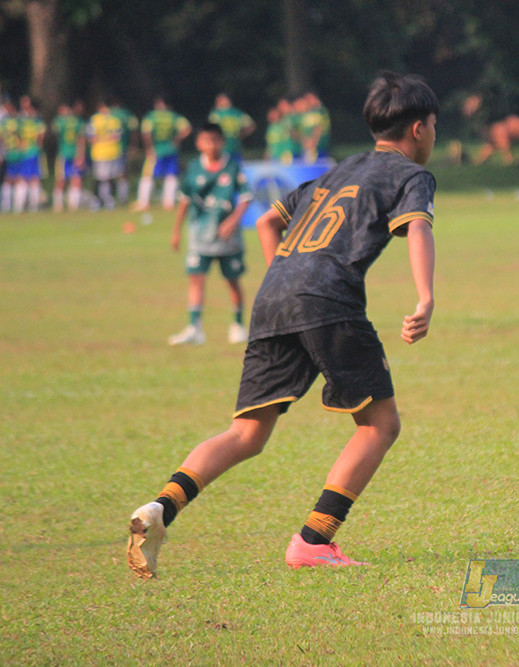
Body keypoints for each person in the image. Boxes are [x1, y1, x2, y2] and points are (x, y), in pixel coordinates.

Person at [127, 72, 438, 578]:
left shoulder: (338, 171)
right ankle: (314, 541)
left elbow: (269, 222)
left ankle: (163, 504)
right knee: (380, 424)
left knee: (246, 432)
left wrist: (284, 277)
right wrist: (425, 297)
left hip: (272, 296)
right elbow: (418, 226)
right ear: (421, 129)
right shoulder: (409, 174)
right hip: (327, 299)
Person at [167, 122, 253, 346]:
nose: (210, 145)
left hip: (227, 238)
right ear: (198, 144)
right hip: (199, 234)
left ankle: (238, 325)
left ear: (222, 142)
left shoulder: (232, 167)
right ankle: (195, 328)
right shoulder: (194, 167)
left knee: (232, 280)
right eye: (206, 141)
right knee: (196, 278)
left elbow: (246, 198)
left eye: (214, 140)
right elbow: (184, 201)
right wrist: (176, 231)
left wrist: (233, 221)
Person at [135, 96, 192, 210]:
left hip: (157, 150)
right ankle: (168, 203)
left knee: (147, 175)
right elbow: (187, 128)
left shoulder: (151, 117)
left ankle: (143, 202)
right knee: (171, 176)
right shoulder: (174, 117)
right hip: (171, 150)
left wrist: (149, 148)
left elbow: (147, 134)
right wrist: (177, 139)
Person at [86, 101, 126, 209]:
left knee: (104, 177)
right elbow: (117, 137)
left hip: (103, 152)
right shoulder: (114, 120)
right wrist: (108, 138)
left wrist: (102, 139)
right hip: (109, 152)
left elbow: (91, 138)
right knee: (104, 177)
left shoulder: (95, 120)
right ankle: (100, 200)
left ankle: (103, 200)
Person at [10, 96, 46, 213]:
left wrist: (38, 147)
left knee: (34, 178)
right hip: (24, 153)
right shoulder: (20, 119)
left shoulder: (36, 118)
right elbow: (13, 133)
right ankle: (19, 206)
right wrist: (19, 144)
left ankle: (33, 206)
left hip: (33, 152)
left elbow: (41, 135)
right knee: (22, 178)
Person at [50, 101, 87, 212]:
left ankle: (59, 205)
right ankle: (72, 205)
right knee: (73, 179)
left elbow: (54, 130)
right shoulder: (78, 121)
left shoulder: (60, 121)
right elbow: (81, 140)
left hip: (64, 154)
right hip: (73, 154)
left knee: (63, 179)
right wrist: (81, 155)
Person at [208, 93, 256, 162]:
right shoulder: (237, 113)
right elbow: (251, 125)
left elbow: (251, 126)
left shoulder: (217, 114)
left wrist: (242, 134)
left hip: (231, 147)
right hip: (227, 147)